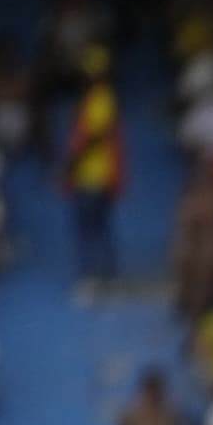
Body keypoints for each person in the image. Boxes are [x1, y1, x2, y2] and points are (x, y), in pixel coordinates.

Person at [64, 62, 122, 290]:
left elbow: (94, 137)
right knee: (93, 226)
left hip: (94, 173)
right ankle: (100, 272)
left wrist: (71, 164)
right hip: (89, 173)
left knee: (92, 226)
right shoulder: (93, 99)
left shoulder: (102, 98)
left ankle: (98, 274)